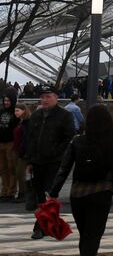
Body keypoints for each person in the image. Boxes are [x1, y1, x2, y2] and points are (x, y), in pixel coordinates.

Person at [49, 104, 113, 256]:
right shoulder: (112, 140)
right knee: (93, 236)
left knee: (85, 236)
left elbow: (64, 168)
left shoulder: (77, 141)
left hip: (77, 194)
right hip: (101, 192)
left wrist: (53, 193)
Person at [25, 85, 76, 239]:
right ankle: (51, 225)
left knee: (49, 193)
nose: (44, 100)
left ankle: (39, 227)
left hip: (55, 162)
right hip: (37, 161)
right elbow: (31, 139)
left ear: (56, 97)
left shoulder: (65, 116)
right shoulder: (36, 115)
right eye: (42, 97)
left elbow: (69, 138)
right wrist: (29, 160)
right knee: (41, 195)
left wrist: (57, 152)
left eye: (48, 96)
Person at [0, 91, 20, 200]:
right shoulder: (1, 112)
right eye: (5, 100)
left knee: (11, 167)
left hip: (11, 143)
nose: (6, 102)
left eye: (8, 100)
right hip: (1, 143)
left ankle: (11, 192)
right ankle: (4, 191)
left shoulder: (15, 113)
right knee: (3, 168)